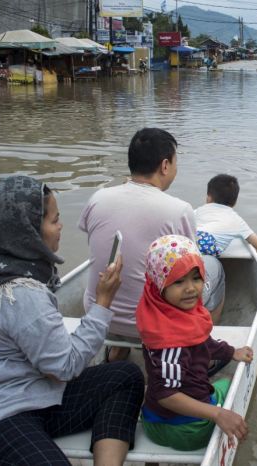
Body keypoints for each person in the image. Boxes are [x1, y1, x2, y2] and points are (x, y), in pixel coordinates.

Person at [0, 176, 144, 465]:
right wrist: (103, 301)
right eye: (54, 221)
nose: (60, 227)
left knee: (124, 376)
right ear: (25, 232)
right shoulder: (19, 291)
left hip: (27, 391)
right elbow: (64, 368)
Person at [79, 128, 224, 362]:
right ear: (165, 165)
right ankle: (199, 348)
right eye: (176, 162)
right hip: (151, 323)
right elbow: (191, 265)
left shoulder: (98, 198)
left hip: (99, 312)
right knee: (213, 267)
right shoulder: (179, 210)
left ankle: (119, 349)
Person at [136, 235, 254, 451]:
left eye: (196, 278)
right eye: (178, 281)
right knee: (228, 385)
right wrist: (218, 413)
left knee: (221, 383)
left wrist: (231, 352)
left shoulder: (166, 314)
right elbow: (167, 395)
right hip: (183, 429)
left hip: (161, 416)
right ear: (159, 285)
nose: (191, 288)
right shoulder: (169, 342)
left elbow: (201, 342)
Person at [195, 174, 257, 267]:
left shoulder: (198, 210)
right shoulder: (236, 220)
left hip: (187, 245)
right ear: (235, 202)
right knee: (219, 271)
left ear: (208, 197)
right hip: (205, 252)